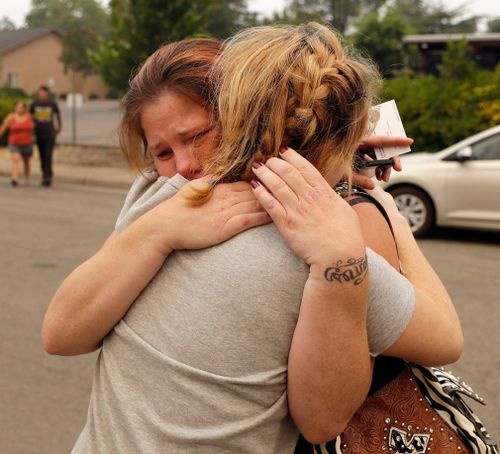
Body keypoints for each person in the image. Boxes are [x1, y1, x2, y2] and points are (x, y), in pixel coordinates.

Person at [43, 28, 462, 453]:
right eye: (163, 152)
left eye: (196, 136)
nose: (185, 166)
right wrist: (384, 206)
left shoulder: (154, 197)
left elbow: (60, 336)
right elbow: (442, 341)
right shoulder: (324, 241)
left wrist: (339, 149)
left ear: (236, 113)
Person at [30, 85, 61, 186]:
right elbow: (30, 116)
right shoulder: (35, 104)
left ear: (47, 93)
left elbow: (58, 115)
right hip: (39, 133)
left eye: (44, 92)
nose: (42, 94)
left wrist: (59, 126)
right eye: (40, 92)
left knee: (48, 155)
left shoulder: (52, 103)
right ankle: (45, 173)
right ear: (39, 93)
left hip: (50, 133)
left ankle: (47, 177)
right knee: (42, 155)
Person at [0, 100, 35, 186]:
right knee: (15, 159)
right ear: (15, 107)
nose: (19, 109)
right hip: (14, 143)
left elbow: (33, 128)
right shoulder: (11, 117)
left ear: (24, 109)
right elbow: (3, 128)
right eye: (18, 107)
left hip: (27, 143)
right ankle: (14, 178)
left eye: (21, 107)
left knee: (26, 162)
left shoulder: (28, 117)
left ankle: (26, 179)